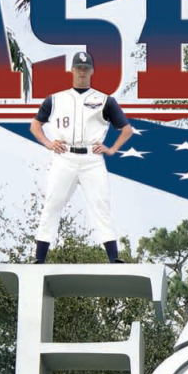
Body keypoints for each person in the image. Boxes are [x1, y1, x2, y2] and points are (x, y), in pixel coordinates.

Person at [31, 50, 134, 264]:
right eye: (79, 68)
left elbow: (126, 129)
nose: (82, 72)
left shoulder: (104, 100)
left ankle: (113, 258)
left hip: (91, 158)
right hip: (64, 156)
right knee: (52, 203)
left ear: (92, 71)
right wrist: (49, 143)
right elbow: (35, 125)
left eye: (86, 68)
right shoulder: (56, 99)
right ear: (72, 70)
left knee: (100, 204)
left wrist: (112, 149)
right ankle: (39, 258)